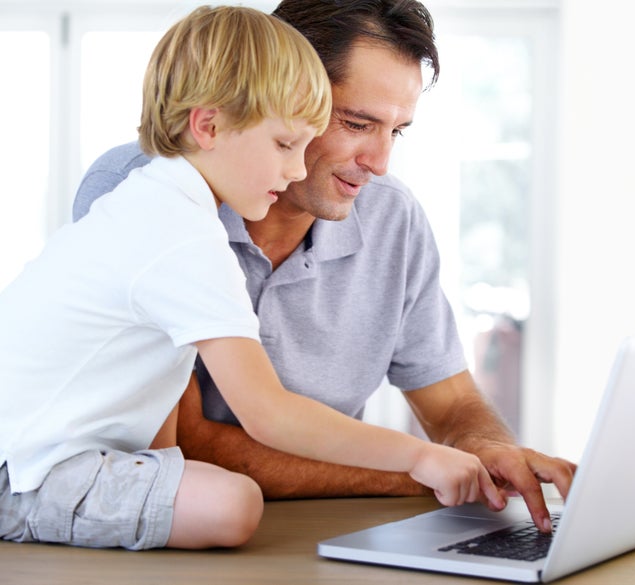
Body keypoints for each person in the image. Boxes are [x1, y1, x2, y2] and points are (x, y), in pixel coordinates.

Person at [0, 5, 498, 551]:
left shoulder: (168, 207)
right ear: (209, 126)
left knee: (213, 496)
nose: (295, 168)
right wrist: (422, 458)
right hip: (25, 470)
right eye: (287, 144)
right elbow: (268, 413)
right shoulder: (176, 228)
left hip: (47, 451)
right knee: (233, 506)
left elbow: (157, 420)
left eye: (397, 131)